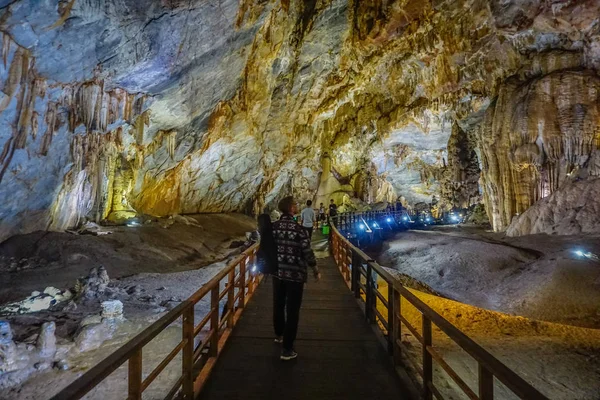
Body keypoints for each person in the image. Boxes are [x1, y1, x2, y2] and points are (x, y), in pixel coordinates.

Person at [272, 196, 321, 360]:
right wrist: (314, 268)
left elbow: (267, 248)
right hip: (295, 275)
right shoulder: (299, 230)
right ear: (291, 209)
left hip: (277, 274)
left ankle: (279, 335)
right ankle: (287, 349)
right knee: (292, 311)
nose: (297, 206)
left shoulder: (274, 227)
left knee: (278, 304)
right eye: (295, 205)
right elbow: (307, 252)